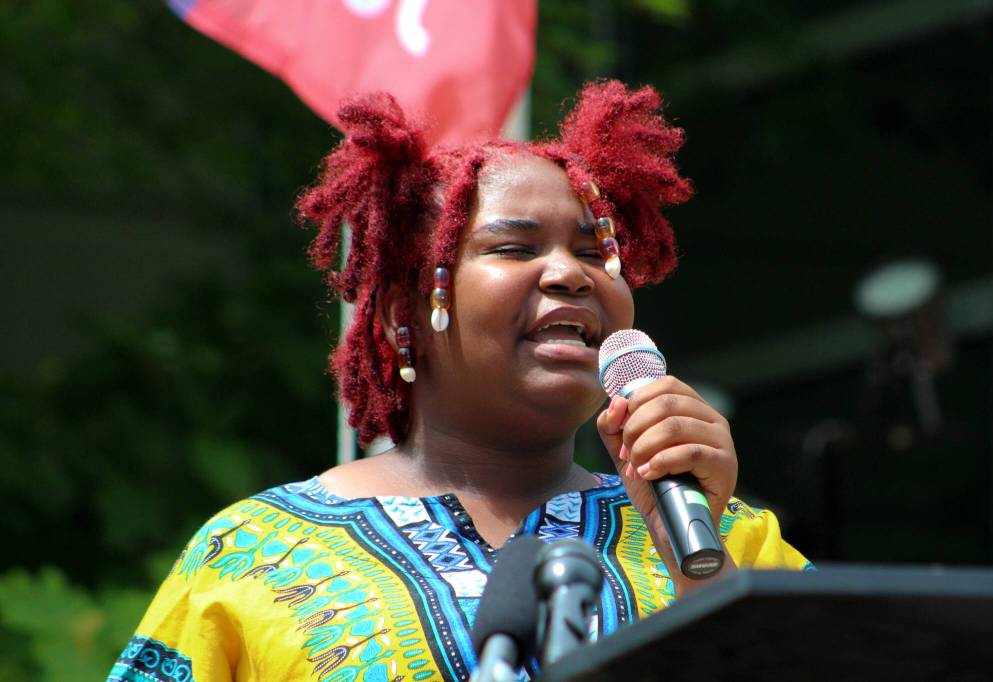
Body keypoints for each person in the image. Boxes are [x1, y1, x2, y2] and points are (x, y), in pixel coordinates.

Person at [108, 80, 811, 682]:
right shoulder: (250, 557)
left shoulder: (731, 539)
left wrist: (702, 577)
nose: (572, 273)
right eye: (514, 246)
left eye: (597, 253)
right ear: (400, 314)